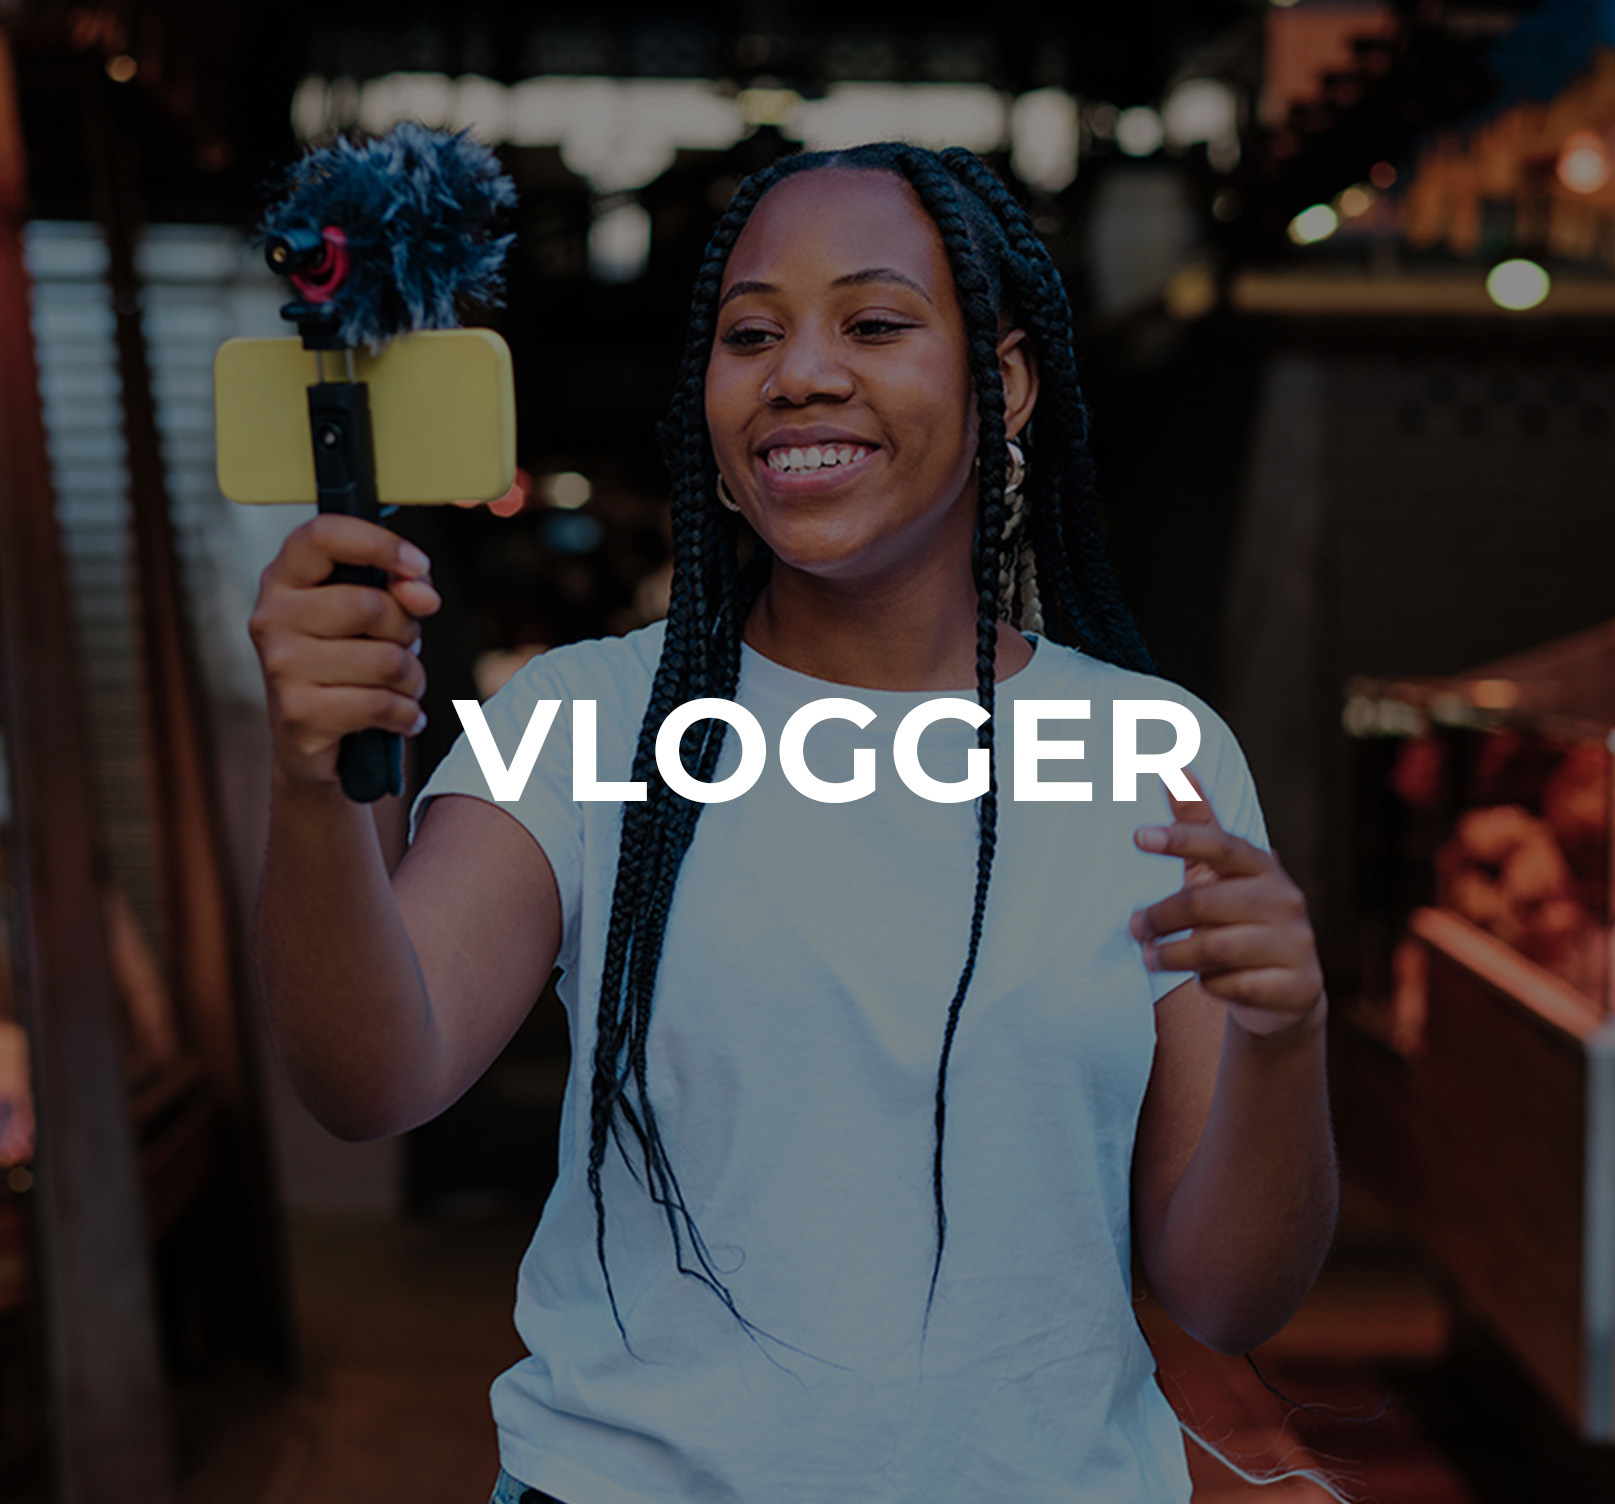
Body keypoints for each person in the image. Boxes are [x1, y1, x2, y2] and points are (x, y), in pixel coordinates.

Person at [250, 142, 1338, 1504]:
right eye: (749, 333)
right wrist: (310, 781)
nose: (800, 373)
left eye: (874, 324)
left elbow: (1231, 1295)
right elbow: (368, 1077)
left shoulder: (1151, 754)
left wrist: (1289, 1042)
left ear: (999, 383)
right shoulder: (583, 722)